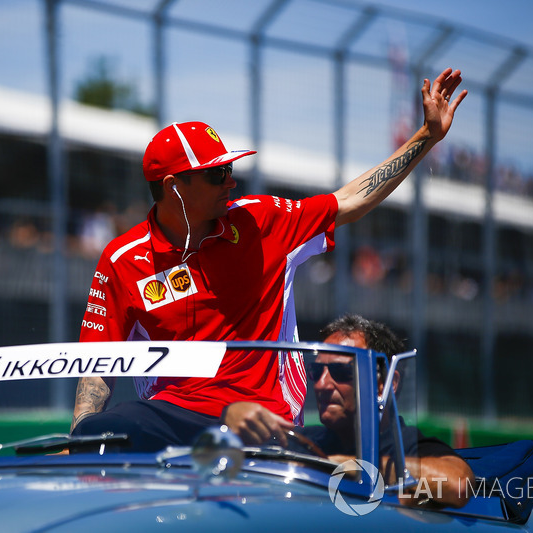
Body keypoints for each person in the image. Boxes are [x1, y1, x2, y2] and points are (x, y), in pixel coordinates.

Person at [71, 68, 467, 452]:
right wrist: (78, 443)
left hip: (266, 421)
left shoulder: (260, 219)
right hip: (174, 419)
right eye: (217, 173)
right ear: (174, 188)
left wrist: (427, 137)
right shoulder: (120, 260)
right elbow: (96, 367)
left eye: (229, 168)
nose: (231, 180)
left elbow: (348, 200)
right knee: (102, 431)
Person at [224, 314, 474, 508]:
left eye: (342, 372)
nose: (321, 384)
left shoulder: (412, 446)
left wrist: (359, 467)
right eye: (316, 372)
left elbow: (458, 485)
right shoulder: (303, 442)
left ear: (383, 385)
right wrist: (231, 417)